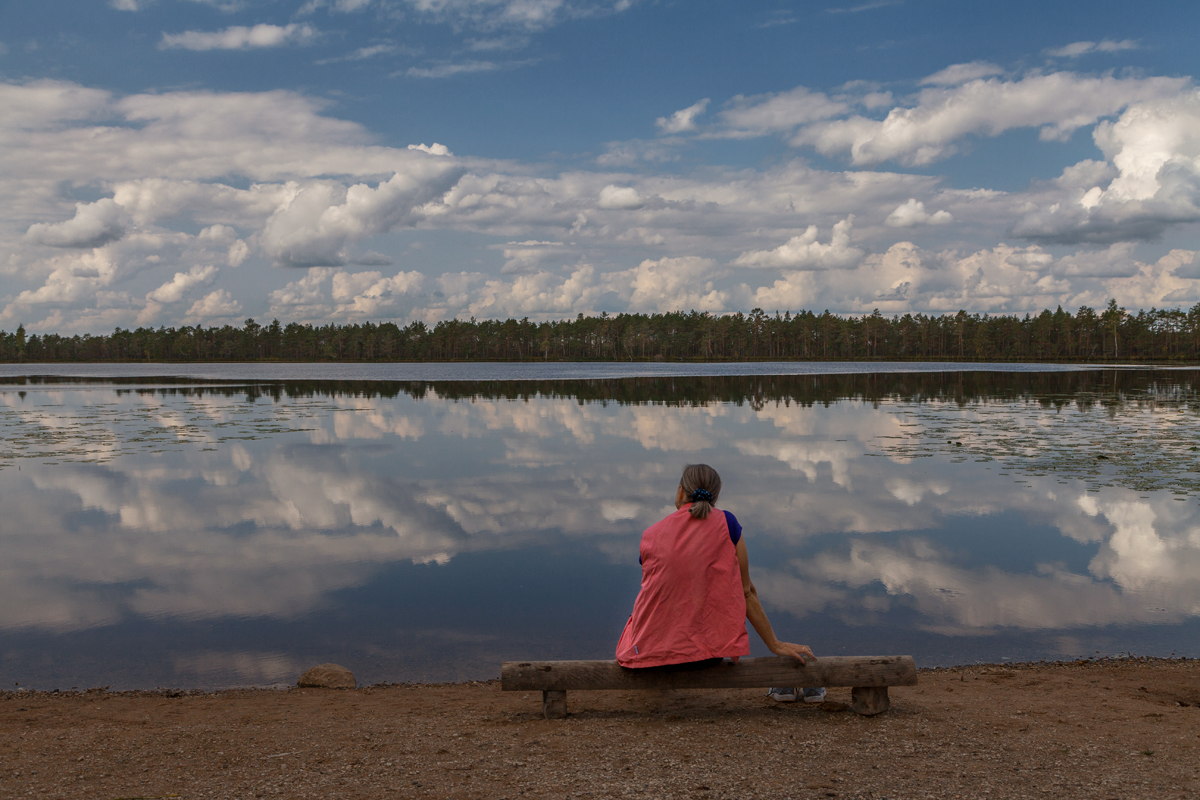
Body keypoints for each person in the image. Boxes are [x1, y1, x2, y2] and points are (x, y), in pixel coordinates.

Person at [616, 464, 823, 702]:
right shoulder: (728, 523)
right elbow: (747, 593)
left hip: (652, 654)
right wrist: (774, 644)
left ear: (680, 491)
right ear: (715, 496)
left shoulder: (651, 535)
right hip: (709, 655)